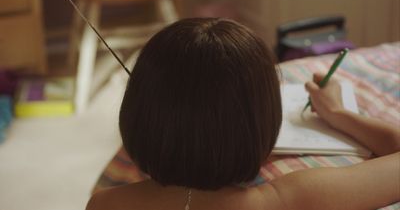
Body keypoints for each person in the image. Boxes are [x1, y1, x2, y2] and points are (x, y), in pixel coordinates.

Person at [86, 18, 400, 210]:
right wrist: (339, 114)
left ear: (139, 114)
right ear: (261, 124)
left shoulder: (105, 205)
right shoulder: (292, 200)